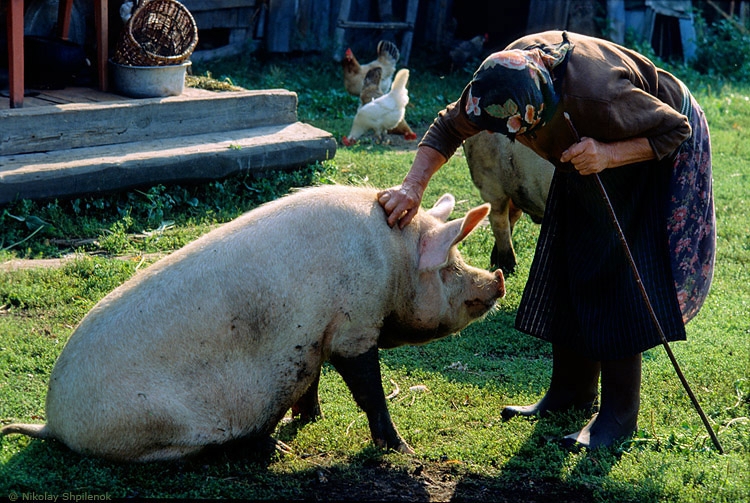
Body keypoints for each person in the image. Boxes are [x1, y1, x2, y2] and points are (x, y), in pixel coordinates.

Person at [377, 30, 715, 449]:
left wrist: (608, 154)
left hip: (644, 139)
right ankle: (571, 391)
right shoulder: (494, 83)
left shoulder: (600, 96)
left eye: (522, 131)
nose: (516, 141)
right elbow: (448, 127)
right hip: (585, 146)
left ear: (545, 104)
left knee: (613, 271)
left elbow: (673, 129)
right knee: (567, 255)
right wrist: (412, 188)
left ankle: (618, 416)